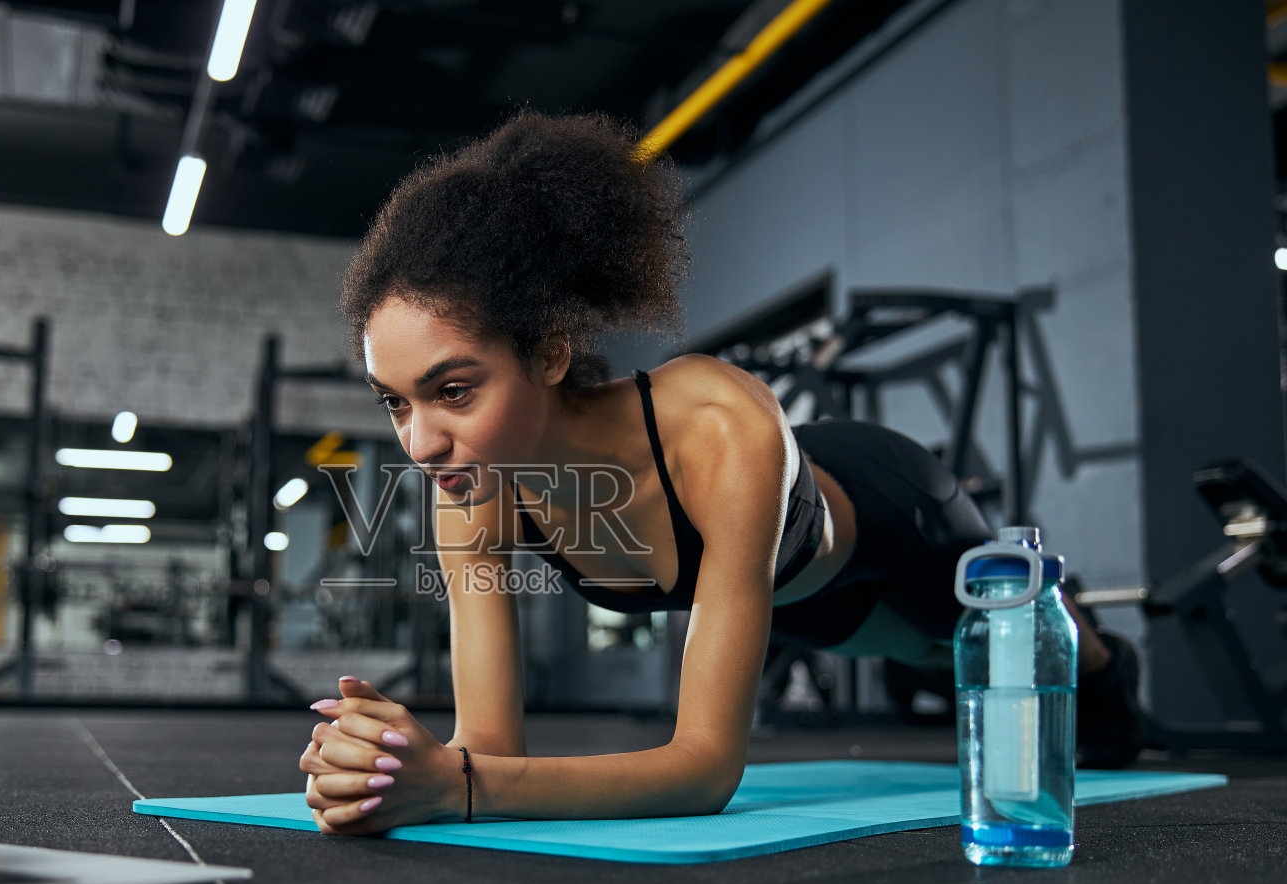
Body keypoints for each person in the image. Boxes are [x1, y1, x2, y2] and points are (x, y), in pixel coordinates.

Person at [299, 110, 1148, 835]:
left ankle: (1104, 650)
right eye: (395, 402)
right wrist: (390, 761)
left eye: (453, 390)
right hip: (804, 602)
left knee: (1054, 684)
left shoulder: (715, 426)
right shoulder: (471, 493)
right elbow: (487, 751)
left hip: (894, 517)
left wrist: (456, 786)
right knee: (928, 661)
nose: (421, 442)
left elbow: (704, 769)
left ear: (550, 355)